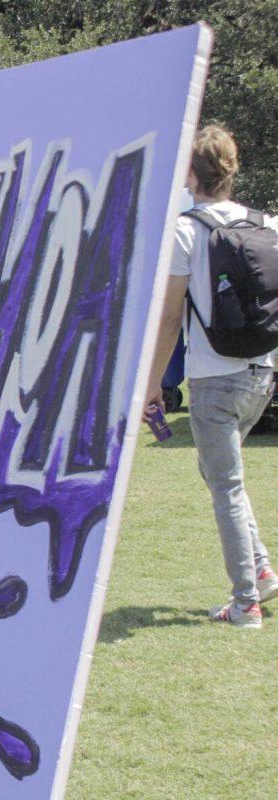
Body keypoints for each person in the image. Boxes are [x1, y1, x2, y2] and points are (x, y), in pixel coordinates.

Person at [147, 124, 278, 628]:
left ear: (190, 174)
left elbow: (169, 316)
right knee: (221, 476)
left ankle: (245, 602)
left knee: (224, 484)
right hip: (260, 373)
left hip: (214, 376)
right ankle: (262, 570)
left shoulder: (186, 230)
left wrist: (155, 383)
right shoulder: (264, 223)